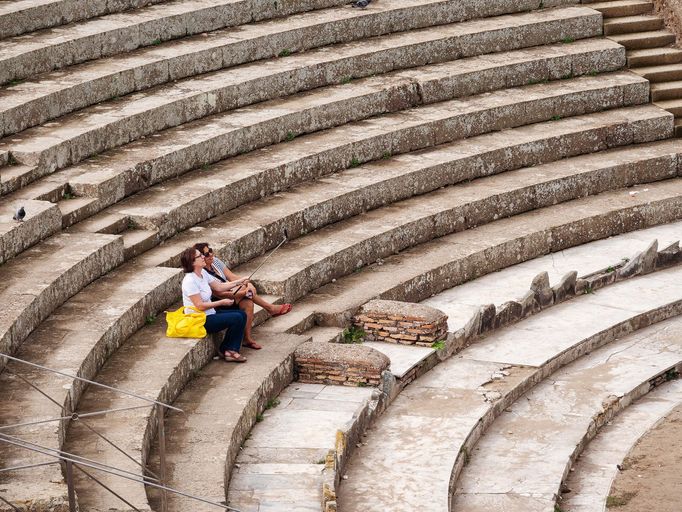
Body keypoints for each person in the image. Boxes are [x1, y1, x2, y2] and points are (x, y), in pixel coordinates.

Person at [194, 243, 292, 350]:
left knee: (248, 302)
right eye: (207, 254)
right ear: (201, 257)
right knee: (245, 293)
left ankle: (247, 338)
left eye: (211, 250)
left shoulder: (215, 262)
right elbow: (220, 294)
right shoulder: (202, 272)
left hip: (232, 294)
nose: (211, 254)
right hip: (219, 302)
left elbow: (232, 277)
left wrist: (248, 284)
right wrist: (244, 292)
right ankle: (270, 308)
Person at [180, 247, 249, 363]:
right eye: (199, 256)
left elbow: (219, 286)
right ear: (192, 262)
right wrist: (222, 302)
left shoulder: (202, 273)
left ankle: (227, 348)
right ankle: (230, 351)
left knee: (241, 314)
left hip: (209, 313)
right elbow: (199, 306)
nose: (203, 257)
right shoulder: (189, 281)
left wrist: (240, 281)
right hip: (200, 319)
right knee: (237, 318)